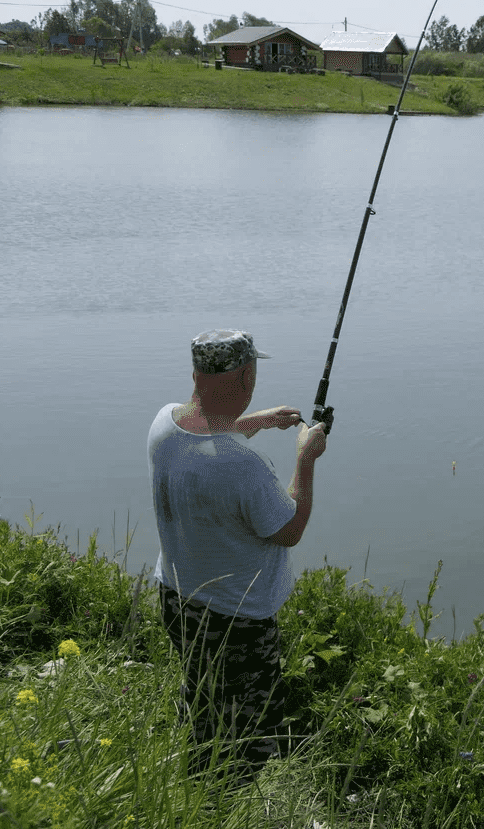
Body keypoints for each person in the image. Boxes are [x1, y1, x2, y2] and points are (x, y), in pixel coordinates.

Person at [148, 329, 326, 777]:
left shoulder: (164, 423)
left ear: (196, 373)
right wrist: (305, 459)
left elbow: (204, 434)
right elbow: (289, 530)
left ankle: (195, 778)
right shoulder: (242, 466)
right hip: (235, 621)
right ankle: (230, 801)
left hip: (175, 598)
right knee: (252, 725)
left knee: (203, 699)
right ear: (246, 377)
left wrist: (259, 421)